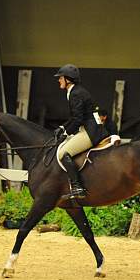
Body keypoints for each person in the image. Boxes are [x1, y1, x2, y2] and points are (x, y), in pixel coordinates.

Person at [54, 64, 108, 199]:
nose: (58, 80)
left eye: (60, 78)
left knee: (63, 153)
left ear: (68, 79)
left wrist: (66, 133)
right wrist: (62, 128)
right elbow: (75, 117)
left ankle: (77, 187)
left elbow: (77, 119)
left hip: (90, 131)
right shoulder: (76, 91)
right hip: (91, 127)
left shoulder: (75, 93)